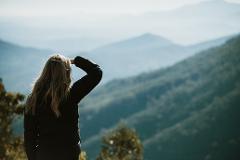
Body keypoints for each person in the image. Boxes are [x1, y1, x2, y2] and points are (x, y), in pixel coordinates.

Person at [24, 54, 102, 160]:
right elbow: (96, 72)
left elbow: (29, 137)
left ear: (45, 72)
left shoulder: (33, 99)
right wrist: (75, 61)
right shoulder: (71, 95)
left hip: (43, 155)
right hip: (69, 154)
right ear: (66, 72)